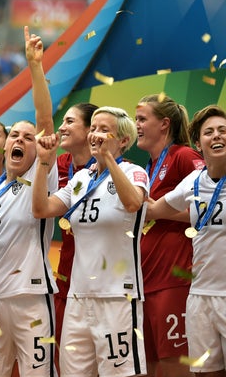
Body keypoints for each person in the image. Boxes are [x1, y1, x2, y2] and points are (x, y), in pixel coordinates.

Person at [33, 106, 148, 376]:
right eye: (94, 128)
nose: (96, 135)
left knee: (120, 372)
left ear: (123, 141)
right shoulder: (81, 178)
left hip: (118, 295)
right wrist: (43, 162)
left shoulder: (134, 172)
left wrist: (107, 158)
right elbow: (41, 209)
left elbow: (133, 202)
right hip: (77, 297)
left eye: (104, 130)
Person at [0, 26, 58, 376]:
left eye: (28, 138)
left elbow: (44, 121)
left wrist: (35, 66)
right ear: (3, 143)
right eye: (14, 135)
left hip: (32, 296)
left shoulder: (40, 175)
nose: (21, 140)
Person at [148, 105, 226, 376]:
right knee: (205, 373)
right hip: (200, 298)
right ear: (199, 144)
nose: (217, 136)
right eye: (209, 132)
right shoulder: (193, 181)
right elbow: (153, 210)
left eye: (223, 130)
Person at [135, 94, 203, 377]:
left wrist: (157, 212)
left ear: (164, 124)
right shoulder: (148, 168)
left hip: (173, 280)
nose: (136, 125)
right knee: (150, 367)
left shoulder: (184, 156)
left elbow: (208, 208)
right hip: (145, 282)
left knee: (175, 365)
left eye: (141, 119)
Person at [53, 103, 98, 350]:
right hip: (66, 275)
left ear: (91, 129)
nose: (62, 127)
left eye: (70, 121)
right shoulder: (59, 163)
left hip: (101, 280)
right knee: (68, 359)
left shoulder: (114, 169)